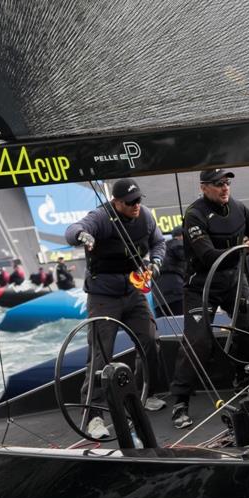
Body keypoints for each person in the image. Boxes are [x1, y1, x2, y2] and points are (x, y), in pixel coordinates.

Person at [169, 168, 249, 429]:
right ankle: (179, 401)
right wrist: (245, 249)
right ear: (204, 187)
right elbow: (210, 256)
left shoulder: (239, 208)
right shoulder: (195, 215)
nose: (224, 188)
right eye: (217, 184)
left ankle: (242, 379)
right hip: (201, 286)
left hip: (234, 281)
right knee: (198, 341)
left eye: (227, 183)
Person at [65, 178, 166, 438]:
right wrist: (81, 235)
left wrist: (155, 262)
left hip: (134, 291)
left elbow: (159, 243)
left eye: (138, 200)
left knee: (150, 340)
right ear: (116, 202)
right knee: (101, 354)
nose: (136, 205)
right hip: (103, 296)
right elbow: (73, 229)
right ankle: (94, 416)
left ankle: (145, 393)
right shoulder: (99, 217)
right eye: (130, 202)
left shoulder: (145, 217)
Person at [154, 226, 185, 317]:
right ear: (181, 236)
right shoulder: (177, 244)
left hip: (158, 299)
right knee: (183, 324)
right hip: (176, 293)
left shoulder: (159, 250)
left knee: (166, 329)